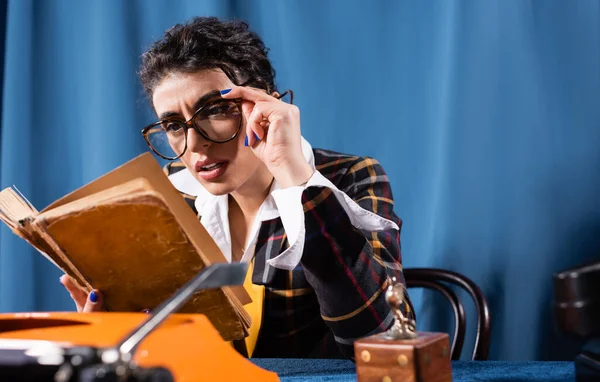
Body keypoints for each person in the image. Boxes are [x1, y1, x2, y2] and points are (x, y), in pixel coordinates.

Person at [59, 16, 414, 359]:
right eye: (173, 125)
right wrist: (115, 329)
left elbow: (376, 338)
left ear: (267, 106)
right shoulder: (168, 199)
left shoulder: (349, 177)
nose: (194, 145)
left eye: (214, 110)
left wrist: (295, 176)